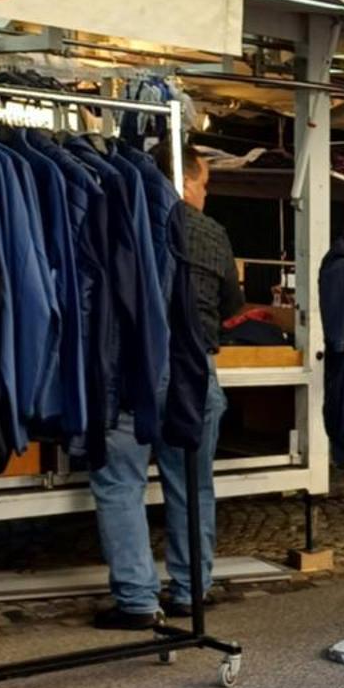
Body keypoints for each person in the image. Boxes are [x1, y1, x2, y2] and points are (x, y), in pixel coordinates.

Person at [89, 141, 242, 629]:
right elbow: (232, 305)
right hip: (197, 372)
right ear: (184, 180)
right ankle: (192, 588)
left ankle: (136, 600)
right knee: (192, 485)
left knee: (119, 483)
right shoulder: (211, 232)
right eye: (203, 183)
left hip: (132, 367)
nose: (204, 194)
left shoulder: (113, 213)